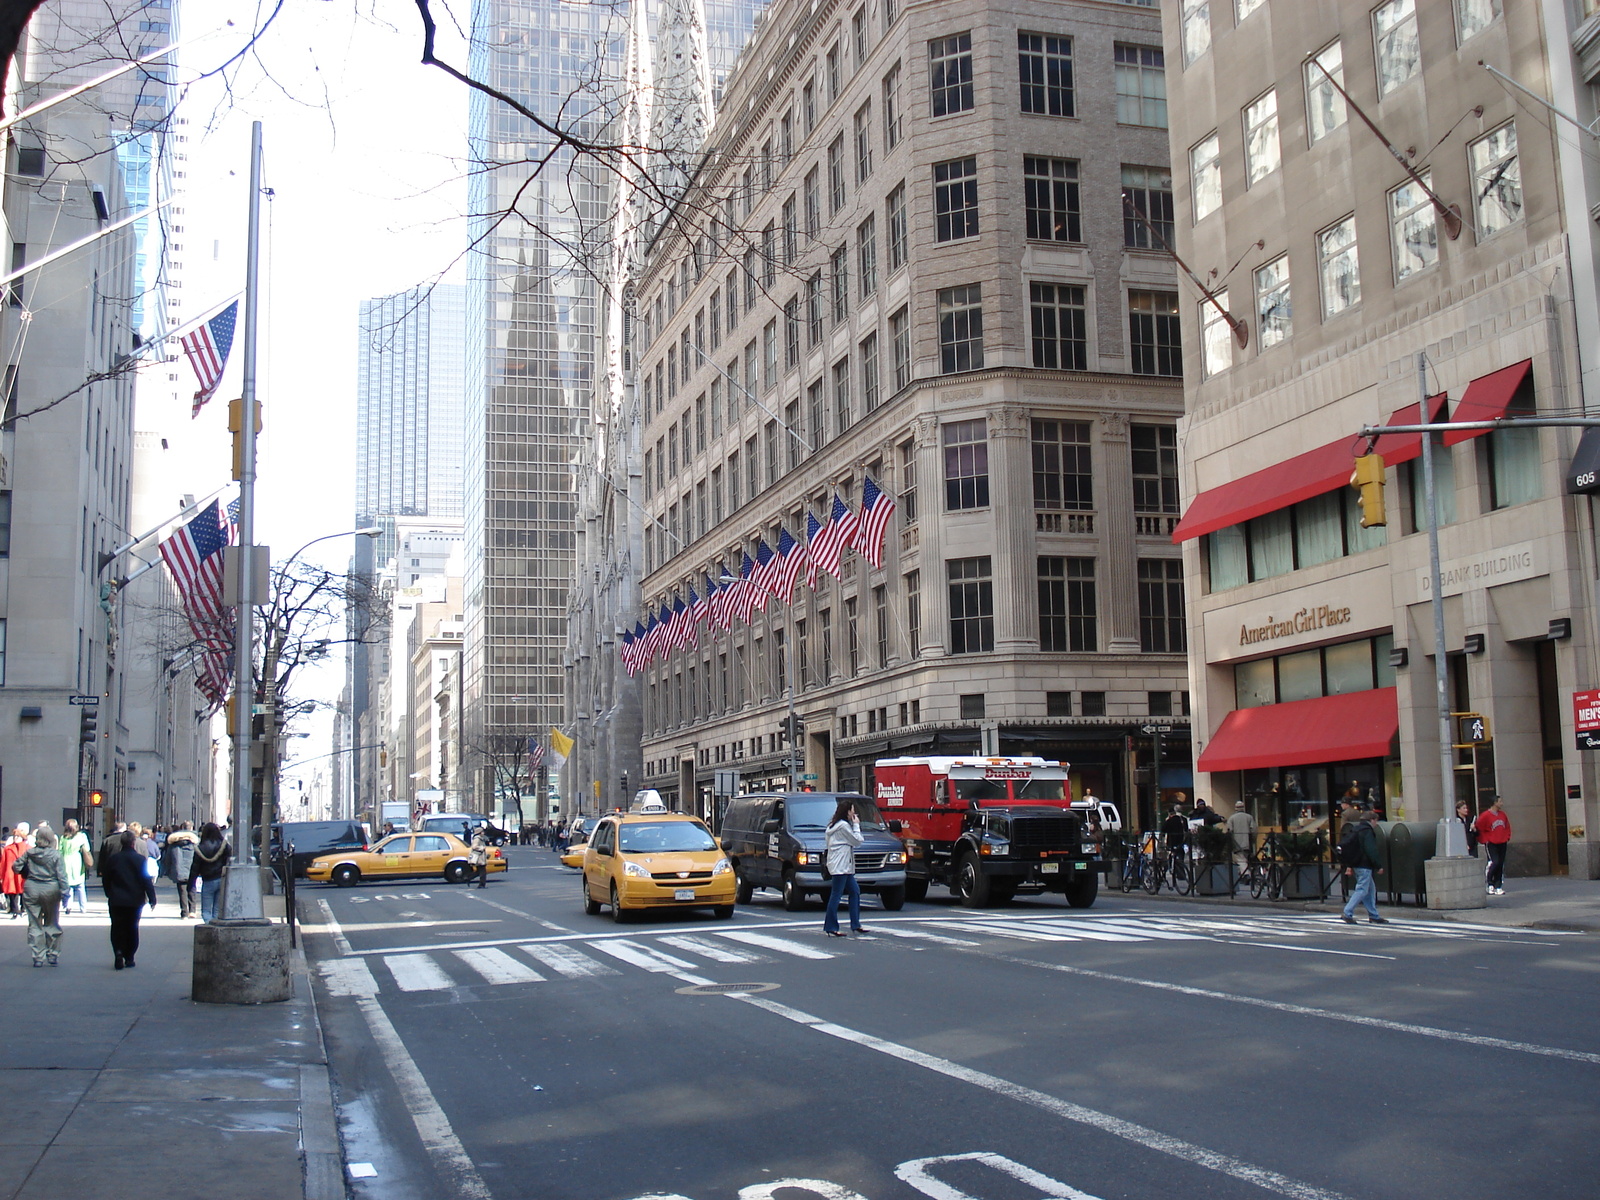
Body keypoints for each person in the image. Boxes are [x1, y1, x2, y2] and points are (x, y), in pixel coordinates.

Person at [102, 830, 157, 969]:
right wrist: (152, 898)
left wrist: (109, 893)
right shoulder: (140, 860)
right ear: (133, 843)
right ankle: (130, 956)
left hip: (116, 899)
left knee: (117, 926)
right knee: (132, 927)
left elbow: (106, 879)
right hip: (135, 899)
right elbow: (146, 880)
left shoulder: (113, 859)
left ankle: (118, 952)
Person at [17, 828, 68, 966]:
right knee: (51, 922)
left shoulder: (29, 853)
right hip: (51, 888)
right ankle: (53, 954)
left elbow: (16, 866)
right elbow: (61, 876)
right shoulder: (56, 855)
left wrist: (26, 872)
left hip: (32, 887)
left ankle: (38, 956)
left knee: (34, 923)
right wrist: (65, 893)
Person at [822, 798, 864, 937]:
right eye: (852, 810)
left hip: (840, 864)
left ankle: (855, 924)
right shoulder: (844, 827)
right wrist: (856, 825)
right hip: (841, 865)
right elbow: (857, 841)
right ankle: (831, 926)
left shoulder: (832, 826)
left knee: (854, 891)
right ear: (847, 812)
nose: (854, 813)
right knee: (836, 895)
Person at [1339, 808, 1389, 925]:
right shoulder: (1367, 831)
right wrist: (1378, 865)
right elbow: (1371, 849)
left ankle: (1373, 915)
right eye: (1376, 821)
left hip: (1356, 863)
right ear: (1371, 820)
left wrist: (1350, 866)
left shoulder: (1355, 829)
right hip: (1364, 865)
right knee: (1362, 889)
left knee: (1370, 890)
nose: (1376, 824)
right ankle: (1347, 912)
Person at [188, 823, 231, 921]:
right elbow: (229, 861)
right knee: (217, 909)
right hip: (221, 878)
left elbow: (195, 868)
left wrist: (191, 884)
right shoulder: (224, 845)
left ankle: (208, 927)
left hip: (207, 880)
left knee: (206, 910)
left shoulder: (200, 848)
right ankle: (215, 927)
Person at [1474, 795, 1512, 895]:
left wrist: (1507, 837)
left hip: (1502, 842)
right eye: (1500, 801)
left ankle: (1498, 885)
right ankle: (1490, 883)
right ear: (1494, 803)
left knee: (1500, 864)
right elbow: (1479, 828)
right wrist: (1485, 839)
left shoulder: (1502, 815)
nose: (1501, 803)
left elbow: (1507, 826)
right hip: (1491, 843)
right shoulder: (1485, 816)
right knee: (1494, 862)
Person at [164, 822, 200, 919]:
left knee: (182, 891)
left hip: (178, 870)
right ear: (191, 828)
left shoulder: (173, 844)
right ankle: (192, 911)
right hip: (192, 869)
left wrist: (168, 870)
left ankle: (184, 912)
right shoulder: (195, 843)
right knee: (192, 889)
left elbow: (168, 859)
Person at [59, 819, 92, 915]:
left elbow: (60, 851)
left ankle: (69, 906)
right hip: (77, 861)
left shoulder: (63, 838)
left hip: (66, 861)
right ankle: (83, 907)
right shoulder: (81, 836)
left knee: (68, 886)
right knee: (81, 886)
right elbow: (87, 849)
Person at [2, 824, 29, 918]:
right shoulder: (8, 848)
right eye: (15, 836)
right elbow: (3, 862)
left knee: (23, 891)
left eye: (18, 836)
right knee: (11, 891)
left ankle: (23, 908)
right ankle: (14, 910)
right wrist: (2, 875)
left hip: (23, 873)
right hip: (10, 873)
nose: (16, 838)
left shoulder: (27, 848)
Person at [1226, 800, 1256, 869]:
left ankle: (1246, 875)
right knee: (1247, 861)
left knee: (1241, 861)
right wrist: (1253, 841)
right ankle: (1248, 874)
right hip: (1247, 844)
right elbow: (1254, 830)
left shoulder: (1231, 818)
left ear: (1235, 808)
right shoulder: (1249, 817)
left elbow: (1229, 832)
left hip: (1237, 845)